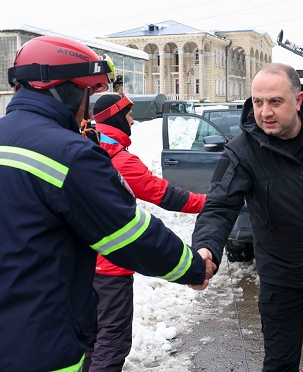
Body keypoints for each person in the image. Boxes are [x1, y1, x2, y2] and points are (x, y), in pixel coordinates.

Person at [0, 35, 215, 372]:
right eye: (88, 96)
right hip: (41, 357)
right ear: (69, 90)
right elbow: (128, 234)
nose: (87, 112)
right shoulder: (70, 156)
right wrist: (192, 267)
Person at [192, 63, 303, 371]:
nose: (265, 112)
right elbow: (220, 206)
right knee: (280, 361)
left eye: (275, 101)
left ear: (298, 100)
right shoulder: (243, 150)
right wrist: (207, 246)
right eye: (258, 102)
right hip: (282, 271)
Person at [83, 93, 206, 372]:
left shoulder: (82, 151)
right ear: (115, 117)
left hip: (81, 266)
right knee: (112, 341)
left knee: (90, 339)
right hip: (112, 269)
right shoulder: (120, 160)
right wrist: (209, 203)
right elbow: (166, 195)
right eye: (127, 115)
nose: (132, 120)